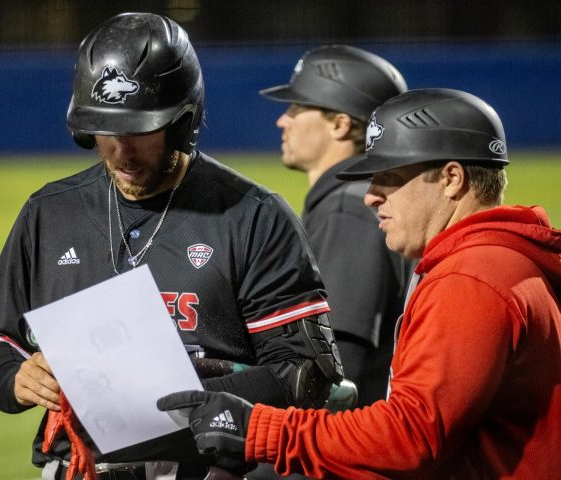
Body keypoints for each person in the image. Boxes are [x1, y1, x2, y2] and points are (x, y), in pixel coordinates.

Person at [0, 13, 343, 480]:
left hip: (211, 468)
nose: (121, 152)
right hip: (77, 467)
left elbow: (304, 374)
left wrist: (182, 402)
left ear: (182, 121)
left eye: (138, 130)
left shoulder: (252, 215)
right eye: (106, 130)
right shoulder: (49, 213)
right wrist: (16, 378)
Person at [159, 88, 561, 479]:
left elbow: (409, 438)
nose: (371, 196)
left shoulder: (470, 278)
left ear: (451, 178)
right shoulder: (503, 262)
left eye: (390, 177)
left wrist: (258, 430)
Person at [259, 45, 413, 408]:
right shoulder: (351, 200)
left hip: (339, 453)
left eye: (297, 108)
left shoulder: (349, 210)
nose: (284, 120)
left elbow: (338, 369)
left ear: (340, 124)